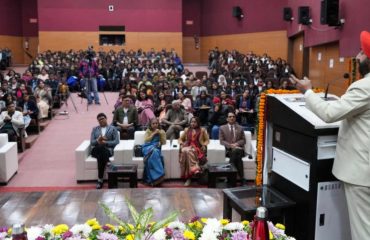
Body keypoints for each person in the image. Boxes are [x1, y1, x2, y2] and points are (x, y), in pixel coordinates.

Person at [290, 31, 370, 240]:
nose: (357, 56)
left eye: (362, 52)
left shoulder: (364, 87)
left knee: (364, 231)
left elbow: (329, 113)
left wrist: (307, 91)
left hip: (362, 172)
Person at [90, 113, 119, 189]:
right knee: (100, 148)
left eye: (103, 118)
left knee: (101, 154)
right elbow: (92, 142)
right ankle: (108, 162)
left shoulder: (113, 128)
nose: (101, 120)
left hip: (107, 150)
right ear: (98, 121)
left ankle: (100, 180)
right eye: (99, 120)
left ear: (106, 119)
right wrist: (98, 140)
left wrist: (105, 143)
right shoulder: (95, 129)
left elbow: (116, 142)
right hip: (95, 150)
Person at [178, 117, 209, 186]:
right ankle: (195, 169)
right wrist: (181, 144)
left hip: (197, 148)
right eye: (192, 122)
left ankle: (188, 179)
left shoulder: (202, 130)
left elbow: (207, 140)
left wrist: (204, 145)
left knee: (187, 151)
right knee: (186, 151)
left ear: (198, 123)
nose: (193, 123)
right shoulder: (186, 130)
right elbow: (180, 139)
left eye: (195, 122)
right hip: (187, 147)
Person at [219, 111, 246, 185]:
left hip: (239, 149)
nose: (232, 118)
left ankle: (230, 178)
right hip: (229, 150)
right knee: (237, 156)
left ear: (235, 118)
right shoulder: (222, 128)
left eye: (233, 116)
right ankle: (242, 178)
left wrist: (236, 144)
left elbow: (243, 140)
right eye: (230, 117)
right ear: (227, 119)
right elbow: (221, 141)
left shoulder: (240, 128)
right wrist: (230, 145)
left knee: (236, 151)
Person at [142, 118, 166, 186]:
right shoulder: (148, 131)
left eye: (156, 123)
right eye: (153, 124)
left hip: (156, 147)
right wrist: (153, 134)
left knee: (153, 154)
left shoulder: (162, 131)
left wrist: (160, 134)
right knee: (154, 151)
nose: (155, 125)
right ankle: (159, 175)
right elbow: (146, 141)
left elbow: (163, 142)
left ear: (158, 124)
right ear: (150, 124)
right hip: (147, 147)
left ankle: (155, 178)